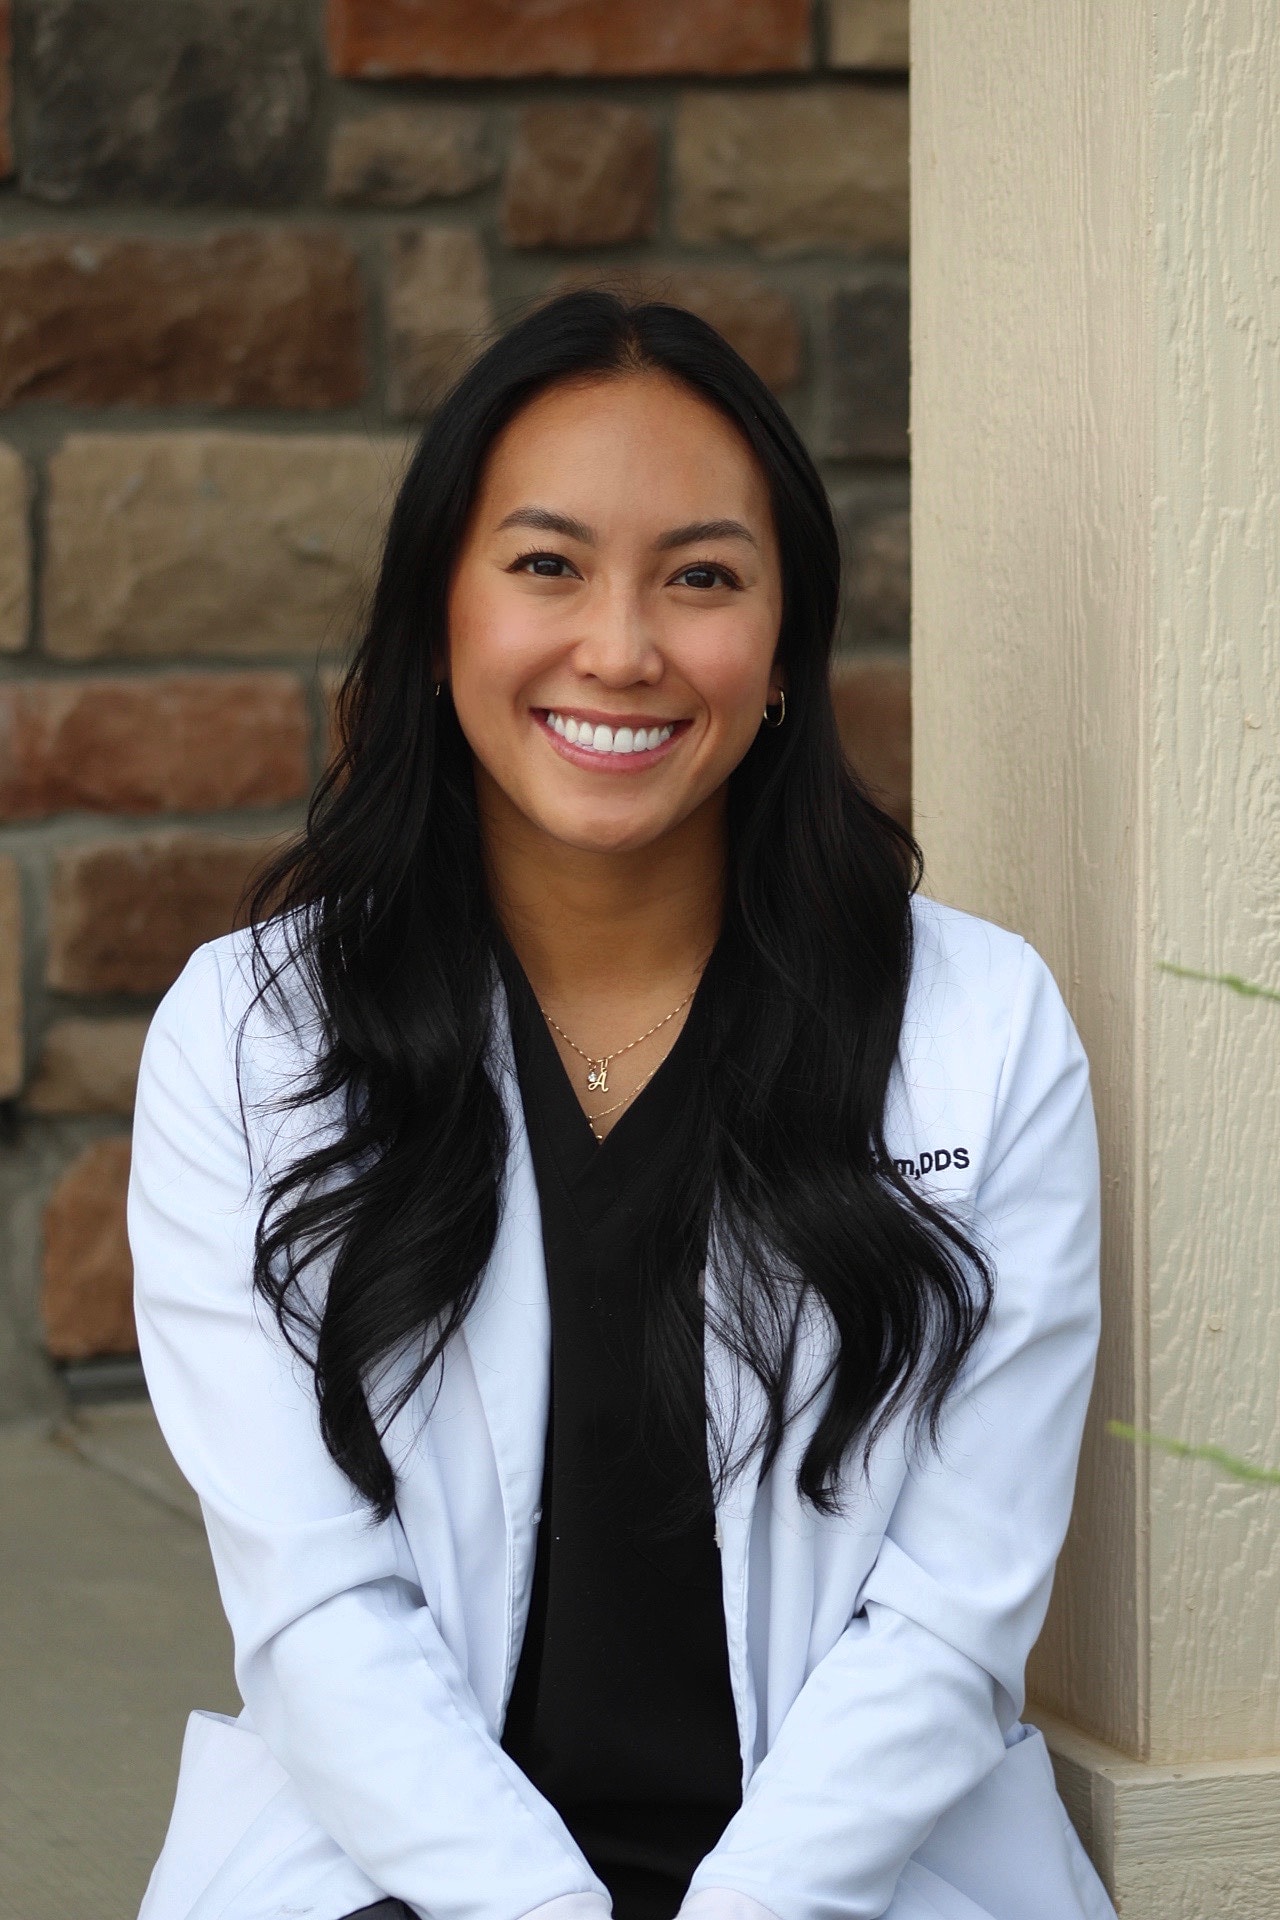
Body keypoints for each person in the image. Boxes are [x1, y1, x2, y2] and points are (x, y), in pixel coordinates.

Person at [128, 291, 1116, 1920]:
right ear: (438, 613)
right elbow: (316, 1612)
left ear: (786, 650)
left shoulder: (980, 1029)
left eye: (703, 577)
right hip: (396, 1879)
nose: (623, 646)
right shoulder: (246, 1042)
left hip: (852, 1884)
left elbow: (956, 1612)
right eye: (547, 564)